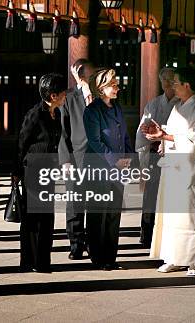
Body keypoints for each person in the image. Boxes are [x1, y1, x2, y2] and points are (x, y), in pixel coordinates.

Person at [142, 67, 195, 277]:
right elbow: (172, 133)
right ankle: (173, 257)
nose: (172, 86)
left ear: (187, 85)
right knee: (171, 215)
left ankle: (193, 261)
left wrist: (167, 136)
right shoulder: (177, 107)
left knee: (189, 215)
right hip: (172, 165)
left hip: (190, 169)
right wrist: (160, 135)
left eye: (176, 83)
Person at [12, 73, 67, 273]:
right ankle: (29, 261)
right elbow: (21, 142)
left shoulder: (57, 114)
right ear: (53, 95)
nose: (65, 96)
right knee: (32, 217)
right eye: (62, 93)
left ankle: (43, 261)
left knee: (47, 216)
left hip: (49, 170)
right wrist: (16, 170)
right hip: (33, 170)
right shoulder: (35, 114)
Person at [83, 68, 133, 271]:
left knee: (114, 213)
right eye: (113, 84)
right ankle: (98, 256)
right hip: (99, 167)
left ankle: (111, 257)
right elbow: (94, 141)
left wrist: (129, 157)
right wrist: (115, 160)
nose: (117, 88)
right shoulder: (92, 111)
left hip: (118, 169)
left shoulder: (117, 108)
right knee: (98, 213)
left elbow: (125, 135)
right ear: (101, 88)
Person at [135, 67, 179, 248]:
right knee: (150, 196)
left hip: (175, 153)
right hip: (155, 155)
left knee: (171, 197)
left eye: (169, 80)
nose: (167, 84)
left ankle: (167, 237)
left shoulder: (181, 103)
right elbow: (142, 131)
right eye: (165, 80)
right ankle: (146, 235)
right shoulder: (153, 104)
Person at [58, 58, 95, 260]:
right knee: (75, 203)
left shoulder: (102, 96)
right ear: (81, 76)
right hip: (76, 157)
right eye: (91, 73)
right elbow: (63, 132)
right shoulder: (69, 98)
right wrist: (65, 160)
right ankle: (76, 243)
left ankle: (93, 242)